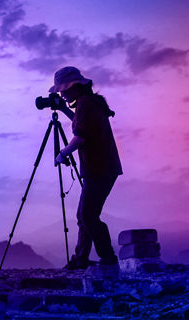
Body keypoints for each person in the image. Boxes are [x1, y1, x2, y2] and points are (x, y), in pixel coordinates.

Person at [51, 66, 123, 270]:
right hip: (103, 167)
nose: (62, 94)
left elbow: (80, 136)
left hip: (99, 168)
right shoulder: (89, 103)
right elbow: (82, 124)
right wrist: (64, 108)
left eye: (63, 90)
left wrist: (63, 153)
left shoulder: (85, 104)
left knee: (88, 215)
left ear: (74, 87)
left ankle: (108, 259)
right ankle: (81, 259)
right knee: (85, 215)